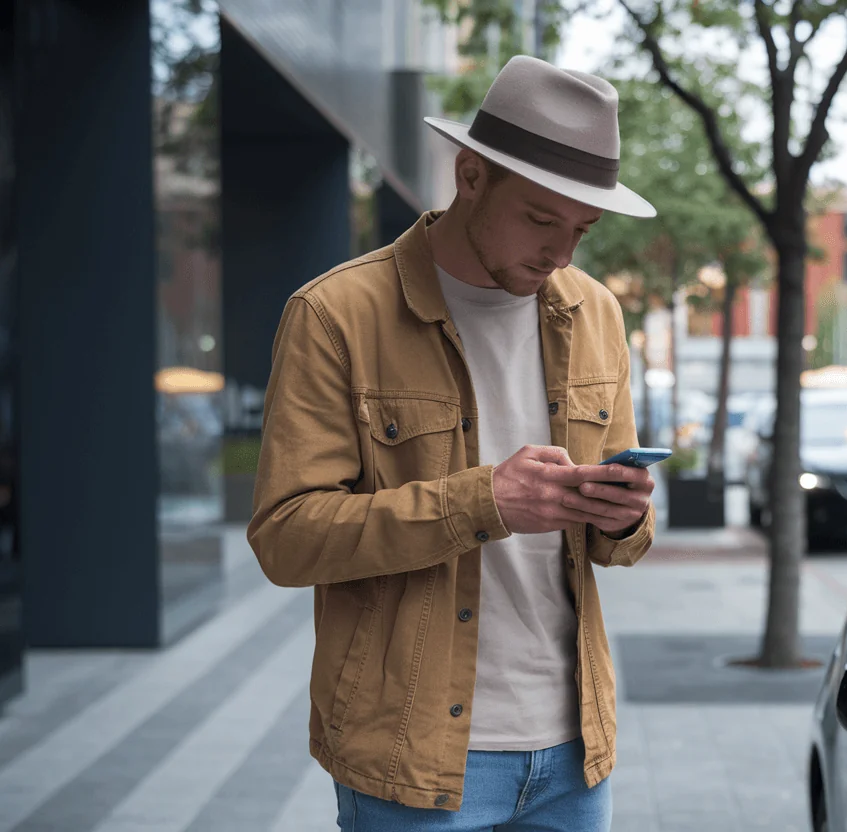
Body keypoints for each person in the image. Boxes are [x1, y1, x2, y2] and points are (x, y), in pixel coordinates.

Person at [247, 55, 658, 831]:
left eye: (583, 229)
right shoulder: (337, 314)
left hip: (575, 748)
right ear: (471, 176)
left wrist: (623, 517)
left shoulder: (596, 312)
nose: (561, 254)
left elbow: (621, 541)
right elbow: (286, 539)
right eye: (541, 219)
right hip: (413, 756)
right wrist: (482, 501)